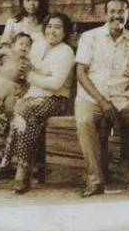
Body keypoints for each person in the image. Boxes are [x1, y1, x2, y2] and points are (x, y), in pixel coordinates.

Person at [75, 0, 129, 197]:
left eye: (121, 11)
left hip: (123, 99)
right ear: (106, 14)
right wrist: (102, 102)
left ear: (128, 13)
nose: (117, 16)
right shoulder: (90, 37)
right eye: (112, 11)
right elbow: (80, 73)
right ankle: (95, 180)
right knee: (84, 121)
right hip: (92, 98)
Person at [4, 13, 76, 194]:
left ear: (65, 31)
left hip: (57, 99)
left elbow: (55, 84)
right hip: (32, 96)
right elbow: (26, 70)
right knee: (11, 111)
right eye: (50, 26)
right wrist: (29, 73)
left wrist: (31, 74)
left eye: (58, 27)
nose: (52, 31)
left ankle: (21, 170)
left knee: (26, 111)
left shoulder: (66, 51)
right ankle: (3, 164)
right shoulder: (37, 46)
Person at [0, 0, 48, 68]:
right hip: (15, 64)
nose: (32, 4)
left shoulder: (46, 23)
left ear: (40, 2)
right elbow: (6, 48)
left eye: (35, 0)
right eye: (28, 0)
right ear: (22, 2)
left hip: (39, 65)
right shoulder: (13, 22)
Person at [0, 32, 33, 117]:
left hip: (11, 88)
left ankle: (8, 125)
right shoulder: (9, 52)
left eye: (27, 45)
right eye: (21, 44)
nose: (24, 47)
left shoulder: (27, 61)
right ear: (13, 45)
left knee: (9, 111)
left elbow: (29, 73)